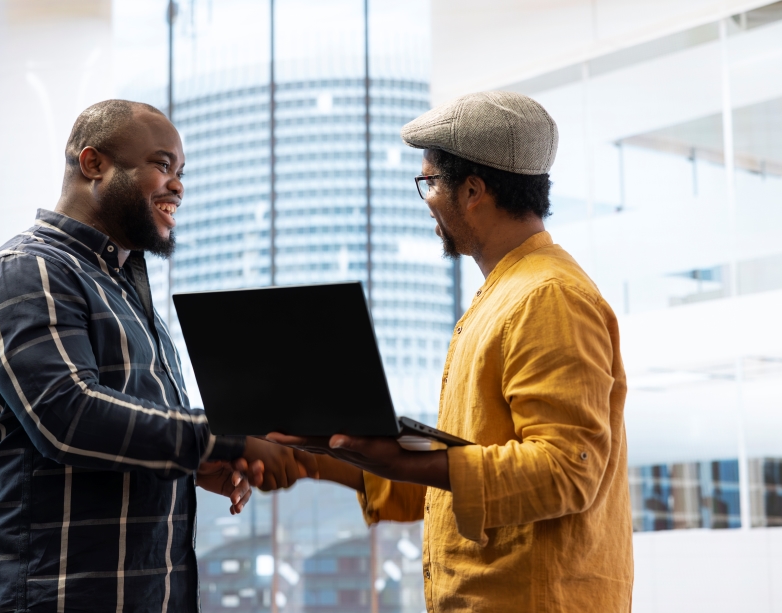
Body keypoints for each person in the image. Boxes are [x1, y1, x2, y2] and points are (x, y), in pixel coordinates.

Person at [269, 91, 633, 612]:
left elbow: (565, 470)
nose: (427, 202)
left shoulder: (546, 296)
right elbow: (455, 485)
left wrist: (402, 456)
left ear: (473, 190)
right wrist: (314, 455)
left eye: (429, 184)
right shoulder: (506, 295)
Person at [0, 100, 314, 613]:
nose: (178, 186)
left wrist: (195, 464)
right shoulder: (27, 272)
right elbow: (69, 417)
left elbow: (122, 430)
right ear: (93, 163)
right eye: (162, 165)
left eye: (181, 172)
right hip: (49, 594)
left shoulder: (123, 289)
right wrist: (226, 438)